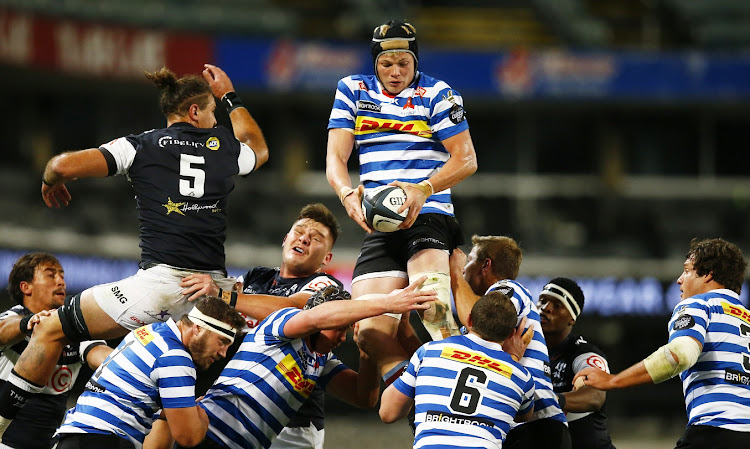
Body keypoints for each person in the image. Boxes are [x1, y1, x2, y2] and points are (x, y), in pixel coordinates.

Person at [0, 63, 269, 439]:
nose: (214, 119)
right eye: (211, 112)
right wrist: (229, 97)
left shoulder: (139, 144)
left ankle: (2, 426)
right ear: (195, 111)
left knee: (51, 328)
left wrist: (52, 180)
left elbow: (61, 163)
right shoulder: (224, 147)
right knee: (172, 397)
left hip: (159, 286)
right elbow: (258, 148)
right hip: (212, 297)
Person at [325, 18, 478, 387]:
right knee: (367, 331)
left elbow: (466, 159)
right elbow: (335, 158)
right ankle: (425, 390)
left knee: (436, 312)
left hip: (428, 214)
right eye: (386, 64)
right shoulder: (352, 90)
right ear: (374, 62)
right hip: (380, 222)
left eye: (403, 63)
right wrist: (346, 193)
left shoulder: (439, 94)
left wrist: (422, 189)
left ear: (416, 61)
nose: (395, 72)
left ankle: (470, 391)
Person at [148, 279, 437, 449]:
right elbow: (314, 318)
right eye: (342, 326)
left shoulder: (321, 361)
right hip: (210, 435)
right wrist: (388, 303)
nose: (343, 336)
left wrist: (366, 352)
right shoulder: (280, 325)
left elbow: (365, 397)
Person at [180, 203, 344, 449]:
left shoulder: (326, 286)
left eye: (316, 238)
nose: (305, 239)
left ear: (326, 259)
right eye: (299, 231)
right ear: (285, 239)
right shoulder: (257, 277)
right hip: (237, 406)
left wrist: (225, 296)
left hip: (291, 423)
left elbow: (293, 309)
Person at [576, 238, 750, 449]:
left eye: (687, 271)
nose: (679, 279)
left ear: (708, 274)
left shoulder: (699, 304)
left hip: (715, 431)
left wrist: (613, 380)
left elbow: (680, 354)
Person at [55, 296, 246, 448]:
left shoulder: (151, 332)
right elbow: (188, 437)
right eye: (222, 342)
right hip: (105, 439)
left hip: (75, 433)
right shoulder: (175, 358)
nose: (223, 353)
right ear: (197, 328)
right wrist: (201, 415)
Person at [449, 235, 571, 449]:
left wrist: (454, 276)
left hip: (537, 428)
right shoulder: (480, 330)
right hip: (516, 429)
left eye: (469, 260)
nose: (463, 268)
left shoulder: (510, 289)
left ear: (486, 265)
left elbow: (480, 318)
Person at [379, 291, 536, 448]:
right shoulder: (522, 377)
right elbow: (524, 418)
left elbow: (388, 412)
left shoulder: (428, 352)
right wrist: (513, 358)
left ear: (469, 319)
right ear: (510, 334)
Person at [0, 253, 112, 449]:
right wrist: (28, 323)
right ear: (26, 287)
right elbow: (2, 331)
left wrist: (133, 363)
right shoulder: (16, 318)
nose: (61, 282)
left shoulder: (73, 328)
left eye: (62, 275)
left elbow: (100, 355)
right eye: (51, 275)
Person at [538, 277, 616, 449]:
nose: (546, 308)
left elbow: (595, 396)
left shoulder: (583, 353)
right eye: (542, 301)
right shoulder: (523, 349)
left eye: (557, 306)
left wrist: (549, 401)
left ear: (571, 319)